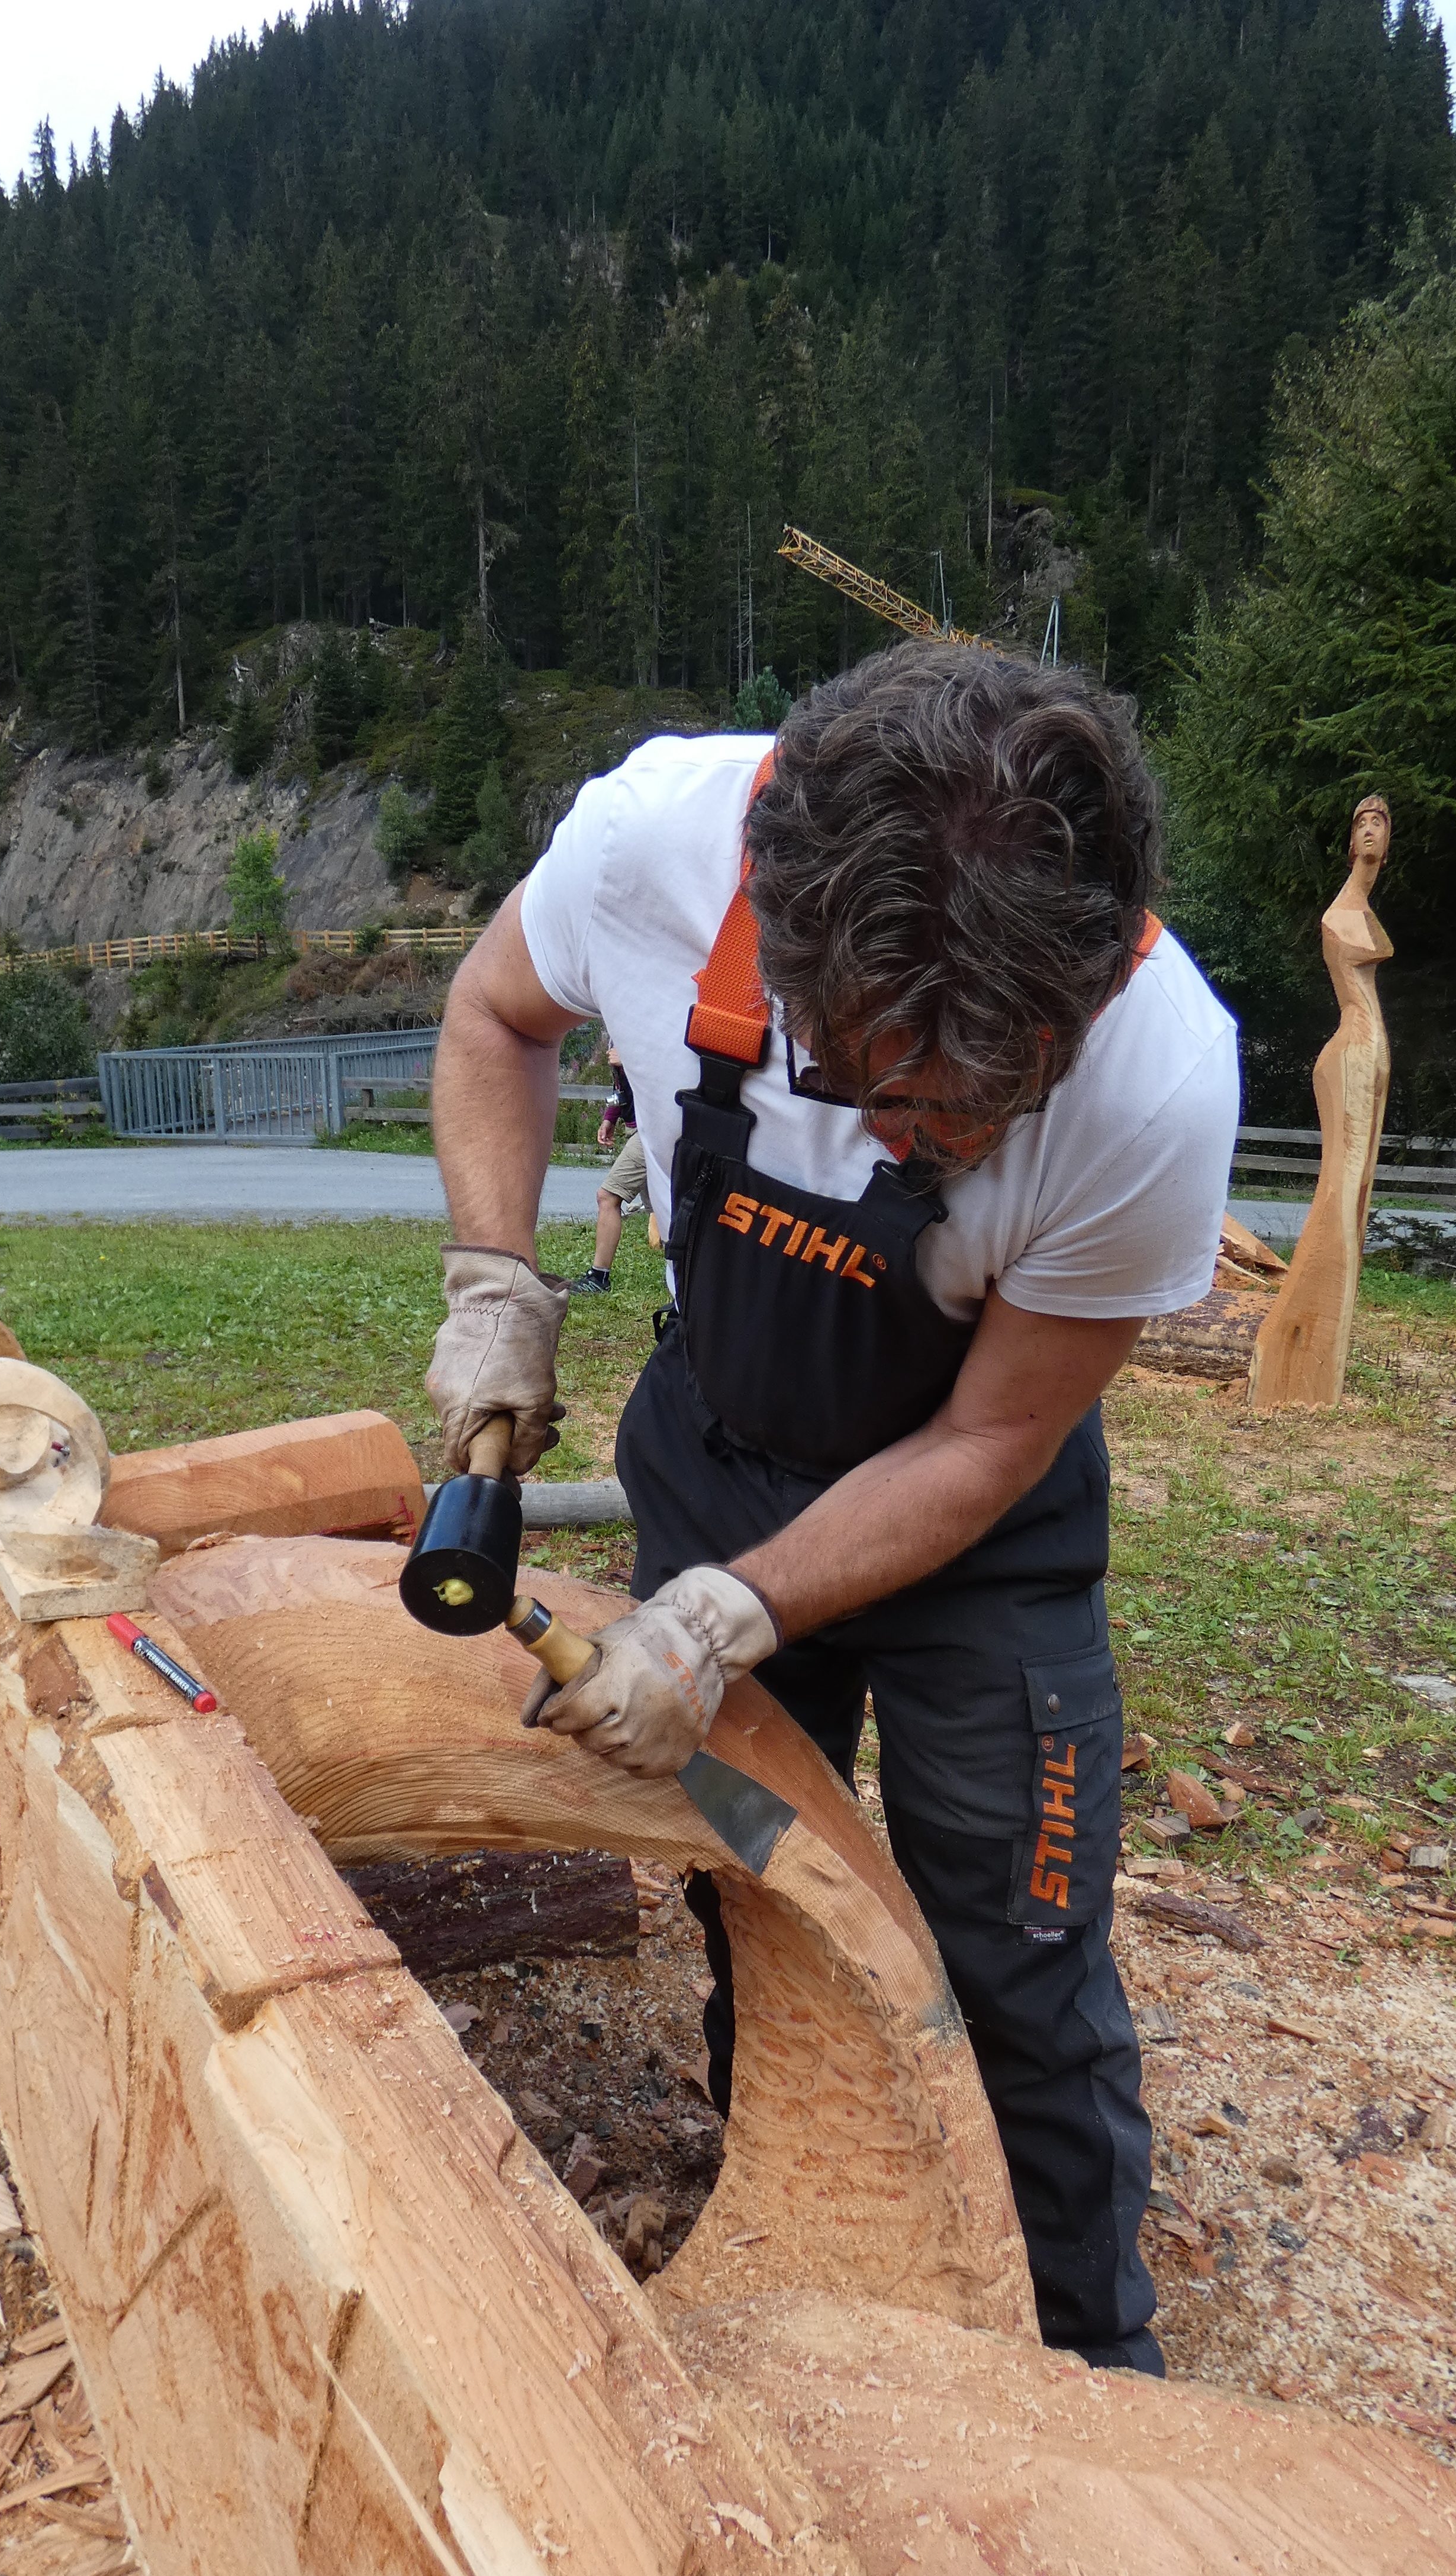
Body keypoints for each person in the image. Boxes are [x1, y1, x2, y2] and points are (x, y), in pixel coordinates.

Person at [426, 646, 1239, 2377]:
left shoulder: (1156, 1078)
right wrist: (494, 1279)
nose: (893, 1133)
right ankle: (815, 2290)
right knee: (762, 1906)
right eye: (861, 1082)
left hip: (973, 1525)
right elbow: (496, 1013)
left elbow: (986, 1442)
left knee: (1014, 1963)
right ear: (774, 934)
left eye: (954, 1114)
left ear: (1076, 1006)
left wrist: (720, 1620)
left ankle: (1086, 2366)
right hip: (715, 1441)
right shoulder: (653, 842)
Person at [568, 1044, 649, 1292]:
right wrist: (609, 1118)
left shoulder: (644, 1028)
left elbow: (664, 1072)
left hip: (652, 1130)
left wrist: (629, 1058)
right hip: (638, 1128)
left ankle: (599, 1278)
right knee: (666, 1209)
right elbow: (621, 1086)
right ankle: (690, 1276)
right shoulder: (620, 1025)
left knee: (607, 1197)